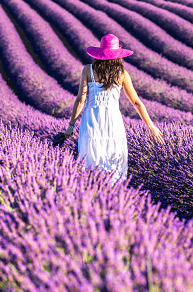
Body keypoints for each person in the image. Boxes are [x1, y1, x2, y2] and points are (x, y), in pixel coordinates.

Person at [64, 34, 164, 183]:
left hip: (91, 122)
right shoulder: (122, 74)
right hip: (113, 124)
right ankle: (114, 198)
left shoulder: (88, 70)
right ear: (117, 55)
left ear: (99, 53)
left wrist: (71, 126)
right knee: (114, 165)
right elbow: (136, 102)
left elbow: (80, 100)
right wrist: (151, 126)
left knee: (90, 162)